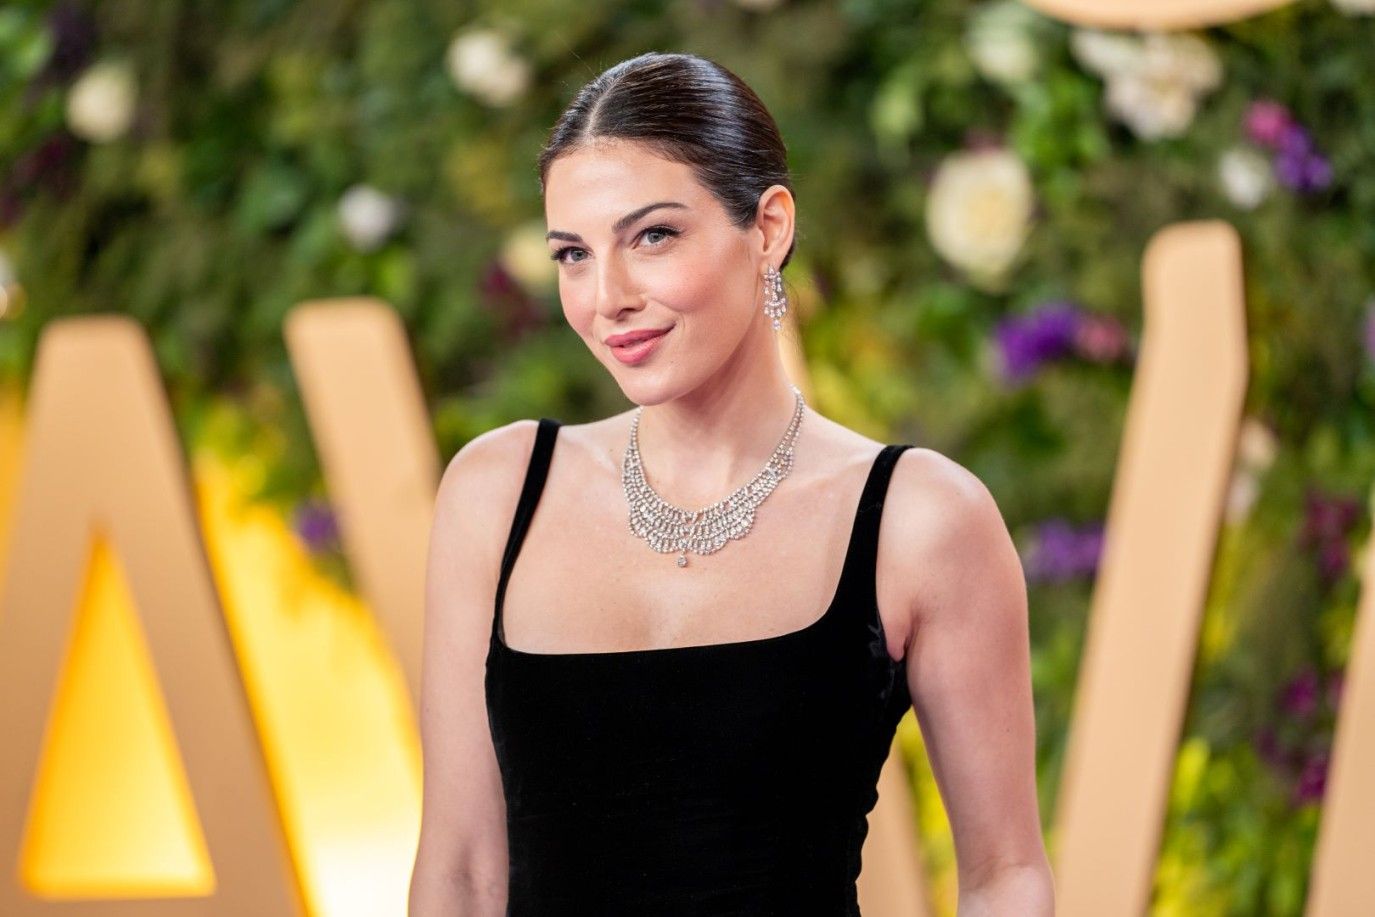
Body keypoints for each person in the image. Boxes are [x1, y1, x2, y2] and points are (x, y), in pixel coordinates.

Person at [409, 51, 1053, 916]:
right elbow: (459, 872)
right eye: (573, 254)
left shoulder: (918, 518)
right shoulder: (497, 492)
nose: (607, 297)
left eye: (652, 236)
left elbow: (1004, 873)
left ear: (769, 228)